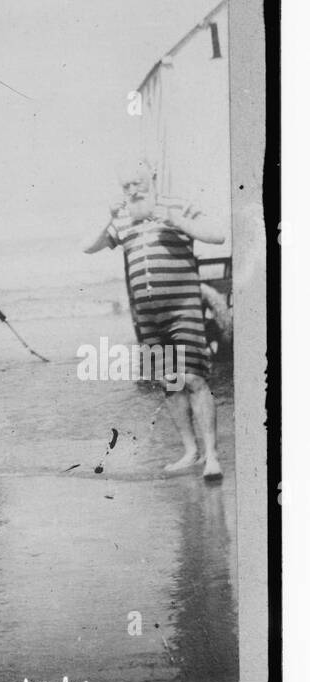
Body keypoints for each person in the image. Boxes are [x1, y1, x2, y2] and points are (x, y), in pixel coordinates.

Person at [82, 160, 225, 481]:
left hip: (182, 308)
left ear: (153, 177)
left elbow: (217, 235)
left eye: (138, 182)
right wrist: (107, 215)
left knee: (195, 379)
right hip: (148, 316)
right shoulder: (123, 218)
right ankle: (190, 451)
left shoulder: (177, 206)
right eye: (126, 186)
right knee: (169, 382)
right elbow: (87, 246)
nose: (133, 190)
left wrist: (176, 221)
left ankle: (212, 456)